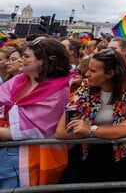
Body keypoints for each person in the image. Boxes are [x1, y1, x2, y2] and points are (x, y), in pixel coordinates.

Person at [56, 48, 126, 186]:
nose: (86, 74)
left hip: (123, 158)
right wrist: (116, 129)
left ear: (109, 74)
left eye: (92, 71)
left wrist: (90, 130)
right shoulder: (85, 87)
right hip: (90, 155)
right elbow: (62, 131)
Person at [0, 38, 74, 188]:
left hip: (26, 156)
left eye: (26, 57)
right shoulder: (20, 79)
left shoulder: (57, 91)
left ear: (42, 62)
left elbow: (30, 131)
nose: (21, 60)